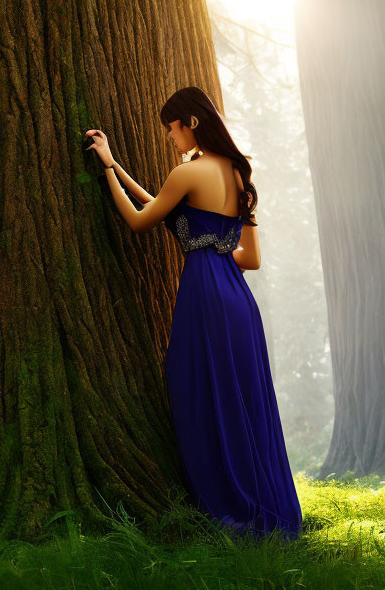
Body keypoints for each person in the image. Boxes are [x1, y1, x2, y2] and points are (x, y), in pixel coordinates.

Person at [84, 86, 302, 541]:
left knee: (200, 392)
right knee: (241, 400)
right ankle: (258, 498)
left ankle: (224, 499)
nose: (169, 137)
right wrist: (118, 164)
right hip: (238, 300)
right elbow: (249, 258)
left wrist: (106, 168)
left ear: (192, 123)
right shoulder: (238, 174)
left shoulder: (187, 173)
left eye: (171, 128)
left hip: (203, 296)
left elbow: (143, 219)